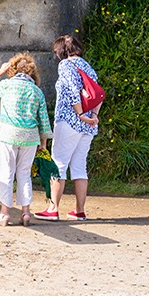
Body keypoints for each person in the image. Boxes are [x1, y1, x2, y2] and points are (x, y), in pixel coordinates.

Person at [0, 54, 52, 227]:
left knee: (6, 173)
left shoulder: (7, 85)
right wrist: (43, 143)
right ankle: (26, 213)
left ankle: (4, 214)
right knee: (24, 174)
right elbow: (43, 120)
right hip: (30, 137)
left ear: (12, 69)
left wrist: (0, 71)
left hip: (8, 135)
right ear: (32, 72)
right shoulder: (37, 91)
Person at [35, 33, 101, 221]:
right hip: (88, 125)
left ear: (60, 52)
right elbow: (99, 94)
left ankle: (53, 209)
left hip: (69, 121)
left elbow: (73, 92)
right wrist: (93, 116)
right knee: (80, 166)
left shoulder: (65, 65)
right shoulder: (87, 66)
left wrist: (80, 114)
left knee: (59, 163)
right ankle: (79, 211)